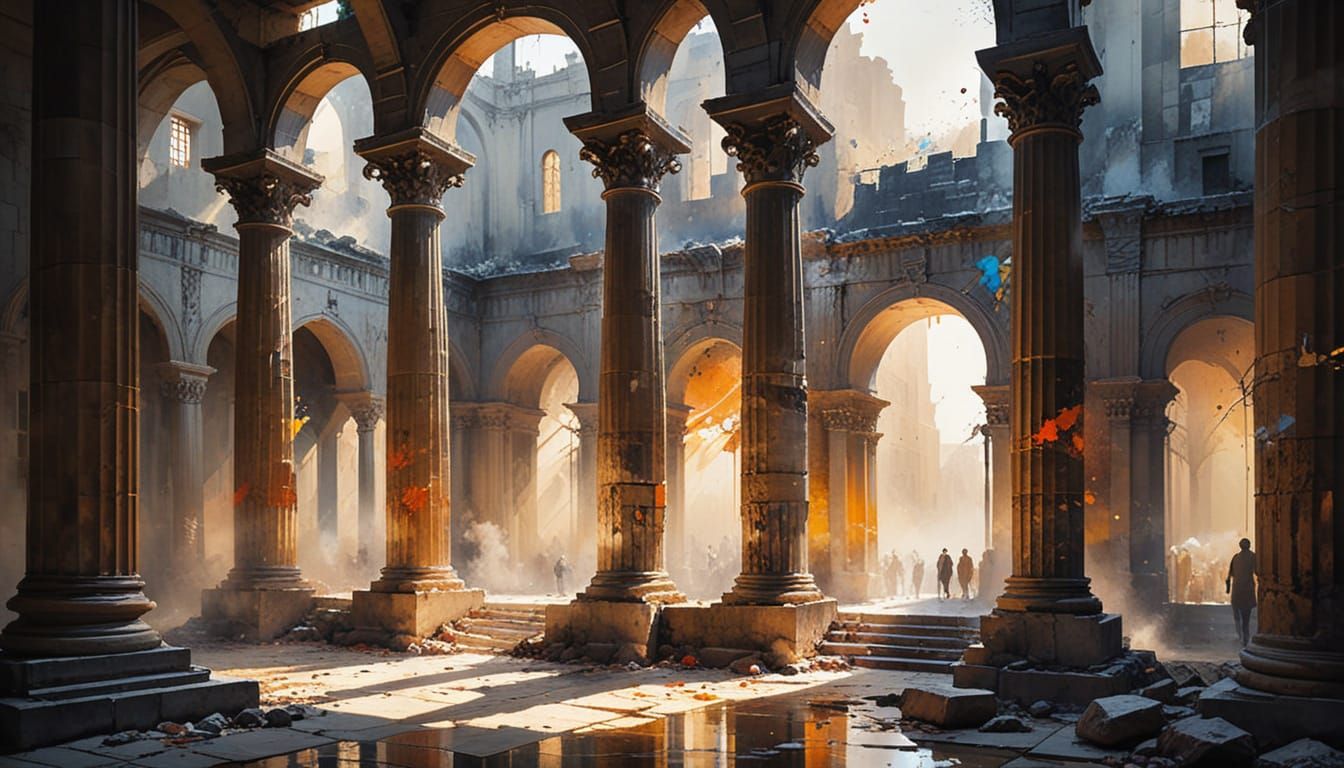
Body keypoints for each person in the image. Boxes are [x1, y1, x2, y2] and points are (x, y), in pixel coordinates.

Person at [1226, 538, 1257, 647]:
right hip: (1247, 590)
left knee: (1237, 614)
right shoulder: (1253, 557)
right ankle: (1245, 637)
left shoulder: (1235, 558)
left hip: (1236, 590)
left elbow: (1230, 574)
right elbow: (1257, 571)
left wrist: (1228, 588)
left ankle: (1239, 635)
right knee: (1246, 616)